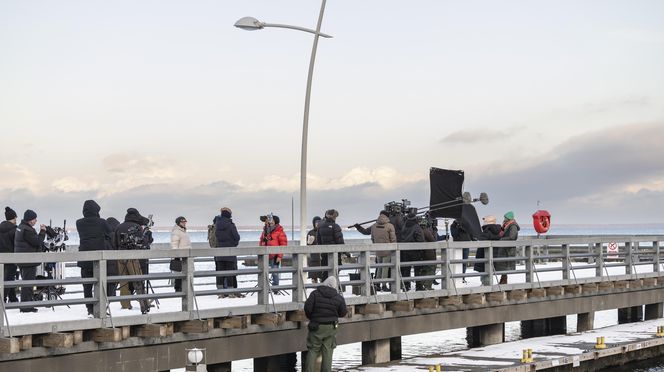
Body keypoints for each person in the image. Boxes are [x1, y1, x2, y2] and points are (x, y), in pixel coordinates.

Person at [76, 200, 113, 317]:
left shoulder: (79, 223)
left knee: (87, 286)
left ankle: (90, 310)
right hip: (99, 261)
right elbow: (110, 234)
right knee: (101, 284)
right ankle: (101, 309)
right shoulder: (102, 222)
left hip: (84, 259)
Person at [304, 276, 348, 372]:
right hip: (331, 327)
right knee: (328, 351)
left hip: (316, 326)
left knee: (313, 350)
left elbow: (307, 308)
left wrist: (312, 317)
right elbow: (343, 312)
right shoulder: (338, 297)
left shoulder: (315, 294)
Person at [115, 208, 153, 313]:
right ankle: (144, 304)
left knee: (123, 281)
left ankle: (125, 304)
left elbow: (115, 243)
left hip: (119, 256)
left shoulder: (119, 226)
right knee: (138, 280)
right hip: (132, 256)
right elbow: (143, 243)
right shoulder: (136, 227)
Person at [353, 210, 396, 292]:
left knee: (379, 267)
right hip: (387, 249)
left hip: (377, 249)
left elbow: (368, 235)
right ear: (387, 216)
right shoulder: (390, 226)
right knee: (385, 268)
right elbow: (393, 239)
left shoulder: (374, 226)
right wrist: (393, 248)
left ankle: (376, 284)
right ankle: (383, 285)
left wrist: (358, 227)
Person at [14, 209, 46, 313]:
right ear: (29, 220)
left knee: (26, 283)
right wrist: (42, 231)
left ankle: (27, 304)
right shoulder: (27, 230)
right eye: (34, 219)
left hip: (22, 259)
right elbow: (37, 242)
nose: (36, 221)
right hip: (28, 261)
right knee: (28, 284)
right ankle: (26, 307)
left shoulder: (20, 227)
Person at [214, 208, 241, 297]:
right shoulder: (230, 225)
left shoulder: (217, 224)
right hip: (229, 252)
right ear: (228, 215)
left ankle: (220, 292)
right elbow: (237, 237)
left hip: (219, 252)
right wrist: (233, 244)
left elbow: (215, 237)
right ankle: (230, 292)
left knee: (220, 273)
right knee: (230, 272)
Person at [259, 214, 287, 290]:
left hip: (275, 256)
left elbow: (283, 245)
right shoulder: (265, 230)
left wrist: (279, 256)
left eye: (272, 220)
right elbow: (261, 241)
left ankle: (275, 289)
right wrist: (260, 251)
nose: (270, 221)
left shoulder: (280, 232)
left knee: (275, 273)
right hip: (265, 255)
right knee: (263, 272)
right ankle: (265, 288)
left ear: (276, 222)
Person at [316, 209, 345, 281]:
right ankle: (333, 289)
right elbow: (340, 241)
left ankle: (324, 289)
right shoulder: (335, 226)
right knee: (335, 274)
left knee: (325, 274)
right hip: (335, 255)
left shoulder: (320, 226)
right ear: (334, 217)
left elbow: (318, 241)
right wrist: (345, 251)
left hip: (324, 255)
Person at [399, 211, 424, 291]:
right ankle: (418, 286)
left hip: (405, 251)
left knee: (406, 269)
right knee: (417, 269)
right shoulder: (417, 227)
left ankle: (406, 286)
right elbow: (421, 239)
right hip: (415, 251)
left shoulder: (404, 226)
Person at [475, 215, 502, 286]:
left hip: (484, 254)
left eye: (485, 221)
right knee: (489, 269)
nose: (483, 222)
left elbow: (482, 240)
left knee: (484, 270)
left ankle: (485, 284)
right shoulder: (498, 231)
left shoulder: (487, 231)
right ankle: (487, 283)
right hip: (494, 253)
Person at [0, 207, 18, 303]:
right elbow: (17, 243)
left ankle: (13, 298)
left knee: (7, 278)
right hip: (11, 257)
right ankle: (2, 299)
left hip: (1, 258)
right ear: (14, 218)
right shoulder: (14, 230)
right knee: (9, 278)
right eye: (16, 218)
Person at [497, 211, 520, 284]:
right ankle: (503, 280)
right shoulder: (506, 225)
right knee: (503, 265)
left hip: (508, 249)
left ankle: (504, 281)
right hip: (505, 248)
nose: (504, 219)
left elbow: (512, 237)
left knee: (506, 265)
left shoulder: (513, 226)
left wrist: (501, 240)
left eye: (505, 217)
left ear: (508, 218)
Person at [170, 216, 192, 292]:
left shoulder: (184, 231)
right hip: (180, 256)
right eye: (182, 222)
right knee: (179, 273)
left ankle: (185, 288)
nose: (184, 223)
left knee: (185, 272)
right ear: (178, 223)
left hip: (186, 256)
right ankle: (178, 289)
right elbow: (174, 244)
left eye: (185, 221)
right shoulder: (176, 232)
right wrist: (176, 256)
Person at [106, 217, 121, 297]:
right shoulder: (116, 236)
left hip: (104, 267)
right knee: (112, 290)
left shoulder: (103, 236)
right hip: (115, 267)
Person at [307, 216, 323, 284]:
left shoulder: (323, 231)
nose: (317, 223)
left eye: (319, 222)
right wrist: (309, 243)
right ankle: (314, 284)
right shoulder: (311, 232)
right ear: (313, 223)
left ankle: (322, 283)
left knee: (322, 274)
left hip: (322, 256)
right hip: (313, 257)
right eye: (316, 222)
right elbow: (307, 245)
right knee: (314, 274)